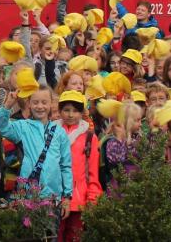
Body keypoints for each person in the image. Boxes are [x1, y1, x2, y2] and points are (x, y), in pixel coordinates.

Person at [0, 85, 73, 203]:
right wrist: (7, 106)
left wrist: (67, 196)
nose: (40, 106)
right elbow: (0, 126)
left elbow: (65, 165)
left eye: (44, 102)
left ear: (51, 103)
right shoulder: (22, 126)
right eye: (35, 102)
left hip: (53, 197)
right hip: (27, 195)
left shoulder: (60, 132)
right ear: (29, 104)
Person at [56, 91, 101, 242]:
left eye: (75, 110)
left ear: (82, 112)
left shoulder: (90, 137)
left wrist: (92, 199)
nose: (70, 115)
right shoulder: (51, 132)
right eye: (66, 110)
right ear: (59, 111)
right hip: (54, 197)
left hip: (79, 200)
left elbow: (93, 172)